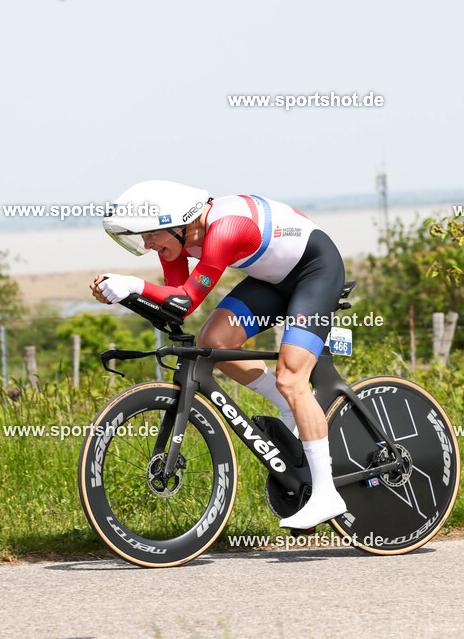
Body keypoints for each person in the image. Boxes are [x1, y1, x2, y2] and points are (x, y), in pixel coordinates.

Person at [91, 180, 347, 530]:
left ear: (179, 223)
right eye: (142, 239)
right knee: (215, 340)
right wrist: (122, 294)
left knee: (292, 377)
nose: (148, 245)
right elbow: (174, 307)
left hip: (315, 271)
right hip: (272, 280)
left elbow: (185, 298)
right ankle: (287, 405)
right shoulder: (177, 244)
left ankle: (327, 493)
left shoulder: (225, 229)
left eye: (151, 235)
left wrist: (134, 284)